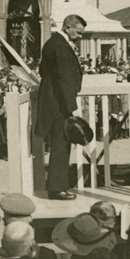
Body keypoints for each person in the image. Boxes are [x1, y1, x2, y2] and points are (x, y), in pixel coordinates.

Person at [36, 14, 87, 201]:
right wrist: (72, 107)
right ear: (67, 27)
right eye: (78, 33)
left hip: (55, 101)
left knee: (61, 144)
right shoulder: (60, 46)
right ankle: (57, 189)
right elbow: (64, 78)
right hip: (60, 104)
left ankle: (58, 186)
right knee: (61, 145)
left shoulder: (53, 43)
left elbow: (44, 71)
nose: (80, 36)